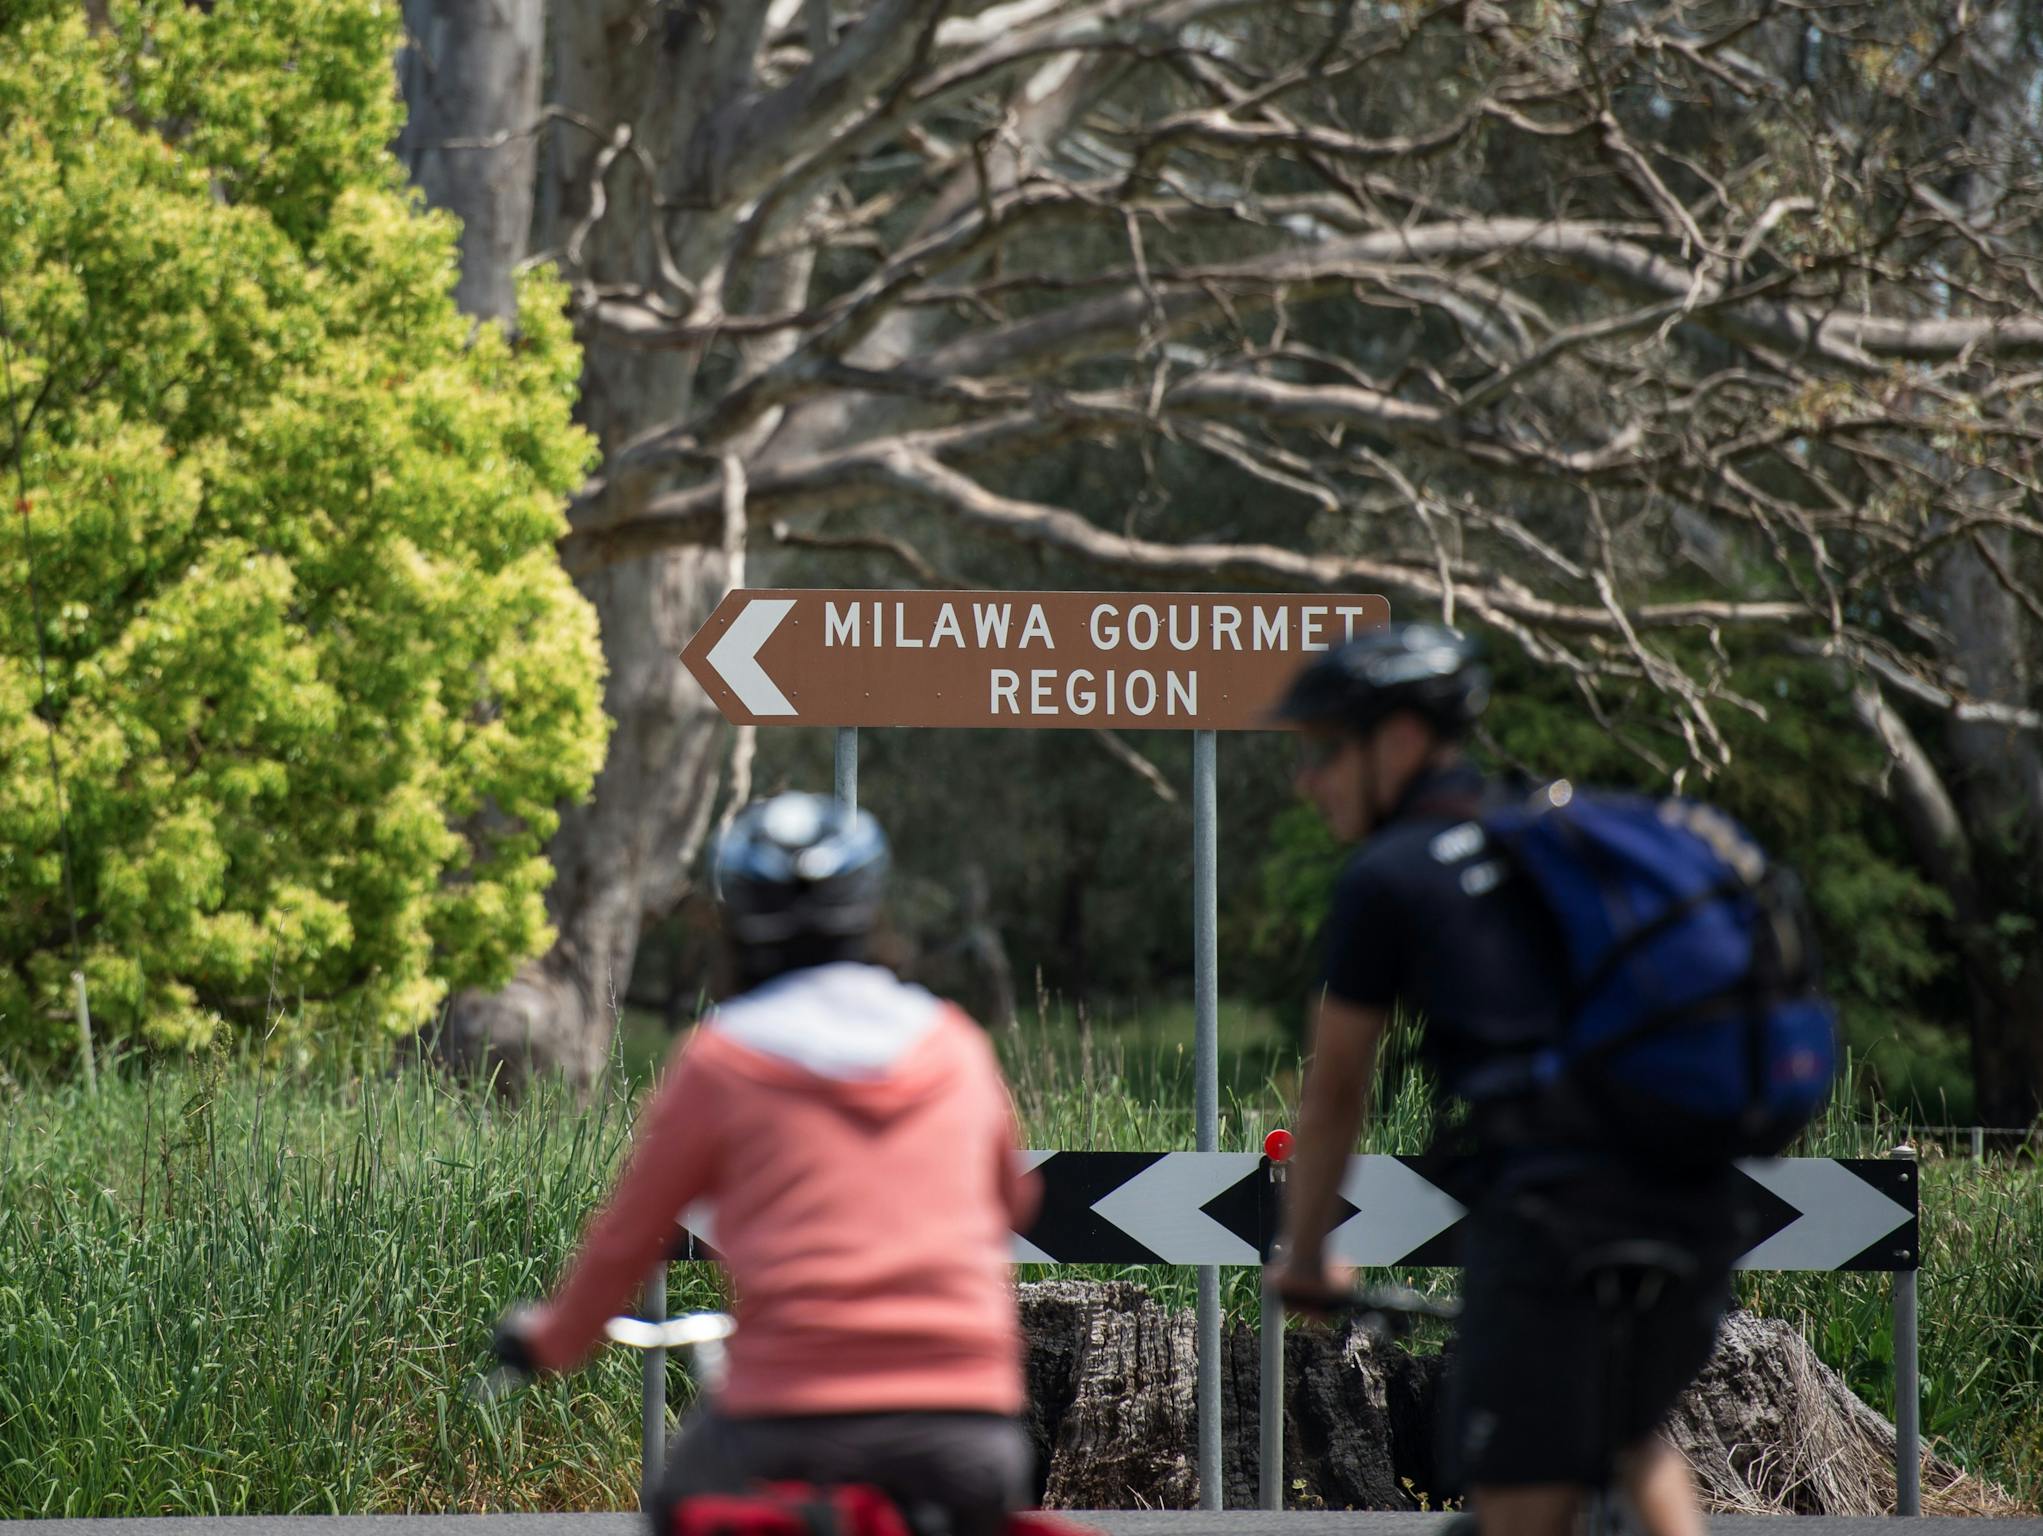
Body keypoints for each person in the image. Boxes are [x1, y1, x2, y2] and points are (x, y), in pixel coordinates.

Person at [1265, 624, 1753, 1536]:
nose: (1307, 780)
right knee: (1628, 1438)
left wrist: (1303, 1257)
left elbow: (1334, 1093)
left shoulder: (1389, 878)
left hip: (1549, 1223)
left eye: (1328, 752)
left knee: (1519, 1498)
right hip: (1696, 1208)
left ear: (1401, 740)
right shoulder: (1551, 845)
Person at [494, 792, 1040, 1536]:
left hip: (791, 1418)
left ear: (738, 924)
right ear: (868, 909)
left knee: (679, 1506)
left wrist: (554, 1339)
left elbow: (630, 1236)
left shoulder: (723, 1060)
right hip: (970, 1426)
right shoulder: (953, 1045)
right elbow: (1014, 1201)